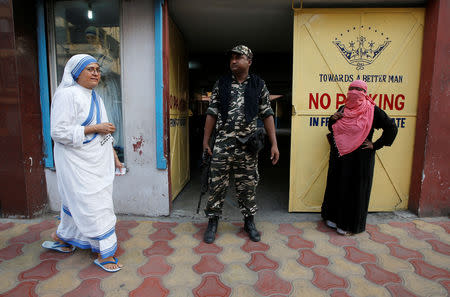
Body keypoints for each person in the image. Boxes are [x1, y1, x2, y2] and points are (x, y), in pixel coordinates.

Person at [42, 54, 123, 272]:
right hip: (75, 163)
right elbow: (58, 132)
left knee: (86, 202)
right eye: (90, 69)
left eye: (97, 69)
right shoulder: (67, 95)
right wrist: (94, 129)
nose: (96, 73)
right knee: (92, 204)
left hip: (97, 161)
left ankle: (63, 237)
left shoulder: (95, 96)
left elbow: (104, 128)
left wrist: (114, 156)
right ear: (76, 73)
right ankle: (103, 252)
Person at [202, 45, 280, 244]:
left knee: (248, 185)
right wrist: (205, 141)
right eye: (231, 58)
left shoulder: (258, 84)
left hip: (247, 146)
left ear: (249, 61)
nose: (234, 61)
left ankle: (249, 222)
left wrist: (274, 144)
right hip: (223, 143)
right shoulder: (222, 83)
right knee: (217, 184)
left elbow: (268, 114)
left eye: (239, 57)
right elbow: (212, 112)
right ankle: (212, 221)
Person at [321, 80, 398, 236]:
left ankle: (348, 226)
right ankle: (333, 219)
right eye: (351, 90)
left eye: (358, 91)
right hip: (340, 157)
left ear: (364, 94)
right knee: (337, 186)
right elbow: (332, 128)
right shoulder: (343, 108)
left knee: (353, 190)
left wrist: (375, 145)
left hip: (359, 161)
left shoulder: (372, 111)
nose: (354, 94)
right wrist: (333, 118)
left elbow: (391, 128)